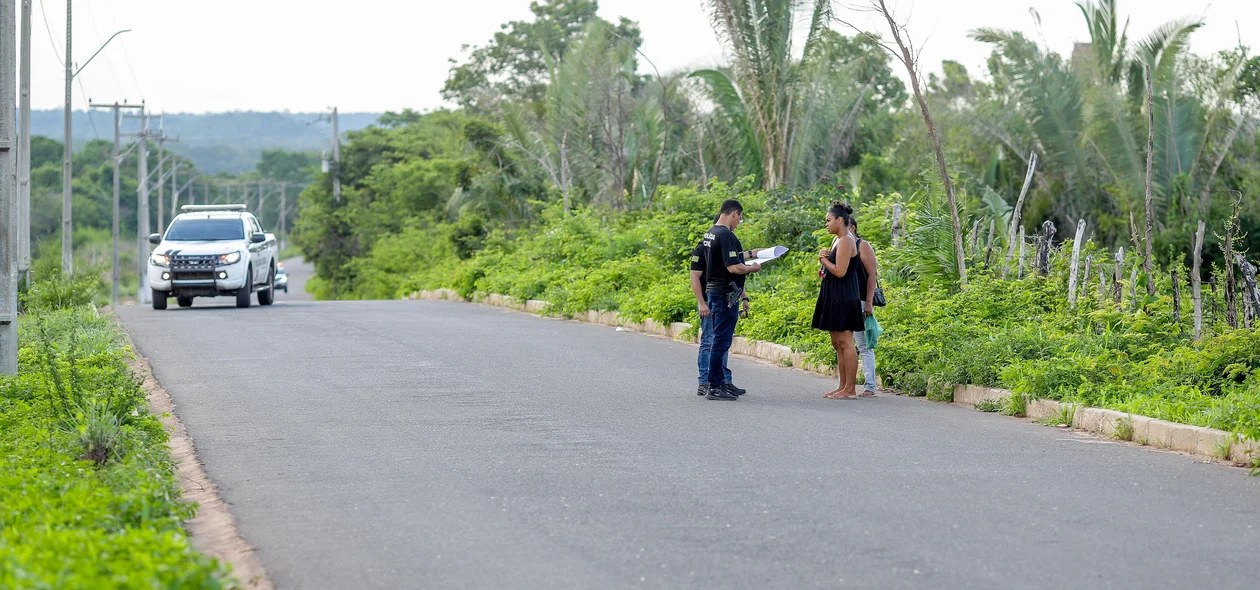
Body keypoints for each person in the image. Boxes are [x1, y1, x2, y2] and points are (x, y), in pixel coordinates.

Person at [699, 199, 763, 400]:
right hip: (724, 294)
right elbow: (733, 267)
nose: (739, 222)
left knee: (719, 339)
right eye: (740, 218)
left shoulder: (710, 232)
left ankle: (718, 383)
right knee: (721, 341)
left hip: (716, 292)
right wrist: (752, 267)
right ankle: (715, 386)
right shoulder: (726, 235)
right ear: (734, 213)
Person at [812, 201, 865, 399]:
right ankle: (842, 385)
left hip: (845, 296)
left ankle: (850, 389)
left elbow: (840, 271)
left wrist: (823, 259)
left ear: (839, 220)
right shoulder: (837, 240)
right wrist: (825, 260)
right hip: (834, 295)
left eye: (828, 220)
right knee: (837, 342)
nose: (826, 224)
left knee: (846, 342)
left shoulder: (846, 240)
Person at [848, 217, 879, 397]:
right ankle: (845, 384)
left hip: (860, 300)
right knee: (846, 344)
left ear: (852, 227)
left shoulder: (862, 245)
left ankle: (870, 386)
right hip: (845, 301)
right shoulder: (840, 244)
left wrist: (868, 302)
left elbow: (872, 275)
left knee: (864, 345)